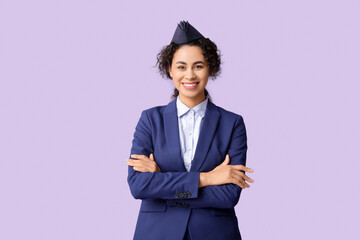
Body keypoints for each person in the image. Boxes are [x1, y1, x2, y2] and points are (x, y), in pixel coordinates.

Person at [126, 20, 254, 240]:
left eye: (198, 65)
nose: (190, 75)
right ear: (170, 69)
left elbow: (229, 194)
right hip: (157, 233)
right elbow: (138, 185)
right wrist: (207, 179)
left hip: (213, 233)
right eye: (181, 66)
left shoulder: (232, 123)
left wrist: (162, 182)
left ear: (210, 68)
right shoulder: (150, 119)